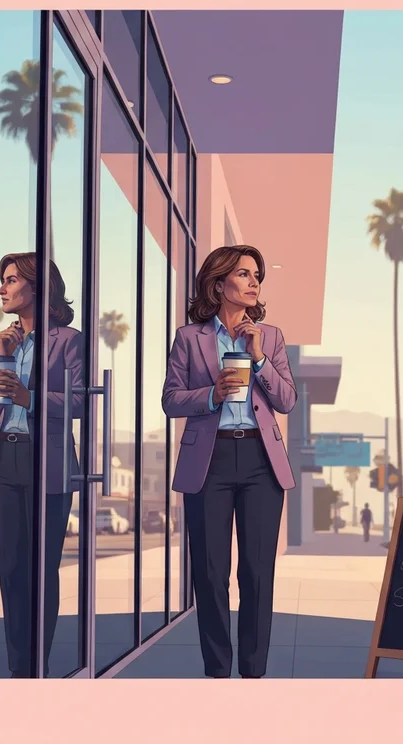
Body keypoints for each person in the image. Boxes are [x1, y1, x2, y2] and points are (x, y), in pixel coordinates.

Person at [162, 245, 297, 679]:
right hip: (210, 459)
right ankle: (218, 672)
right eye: (244, 273)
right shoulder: (189, 338)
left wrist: (258, 359)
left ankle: (254, 673)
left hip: (261, 459)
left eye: (257, 274)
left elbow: (287, 400)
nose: (255, 281)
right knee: (210, 572)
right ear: (219, 283)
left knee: (257, 573)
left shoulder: (270, 336)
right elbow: (170, 400)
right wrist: (211, 395)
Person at [0, 252, 84, 678]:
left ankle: (36, 667)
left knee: (42, 569)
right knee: (11, 572)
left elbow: (79, 400)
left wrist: (30, 396)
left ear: (37, 287)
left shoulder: (69, 340)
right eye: (2, 281)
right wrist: (1, 356)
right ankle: (17, 671)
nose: (2, 289)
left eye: (10, 280)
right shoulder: (6, 338)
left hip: (49, 461)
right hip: (6, 457)